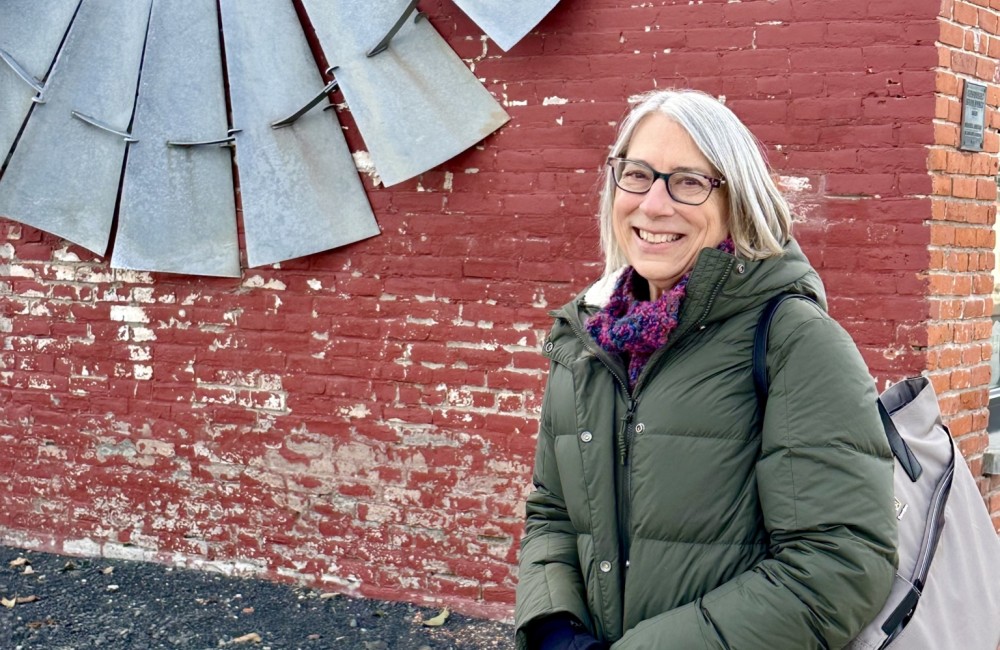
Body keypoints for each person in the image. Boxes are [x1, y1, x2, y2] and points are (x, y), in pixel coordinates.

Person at [514, 89, 898, 649]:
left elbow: (839, 565)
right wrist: (554, 628)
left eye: (689, 182)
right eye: (637, 174)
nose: (653, 204)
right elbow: (553, 511)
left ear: (734, 201)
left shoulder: (793, 339)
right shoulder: (589, 341)